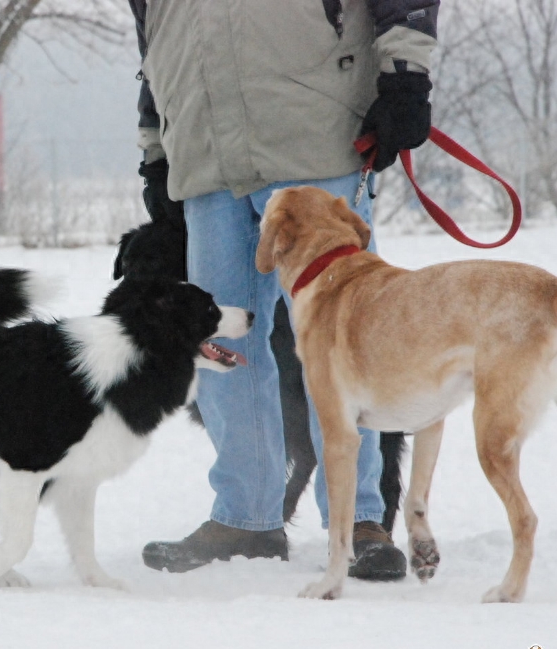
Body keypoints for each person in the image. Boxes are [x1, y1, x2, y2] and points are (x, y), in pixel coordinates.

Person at [128, 0, 439, 580]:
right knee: (224, 349)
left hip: (315, 137)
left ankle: (362, 519)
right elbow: (154, 44)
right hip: (206, 158)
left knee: (349, 344)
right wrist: (157, 150)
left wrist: (406, 78)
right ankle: (245, 517)